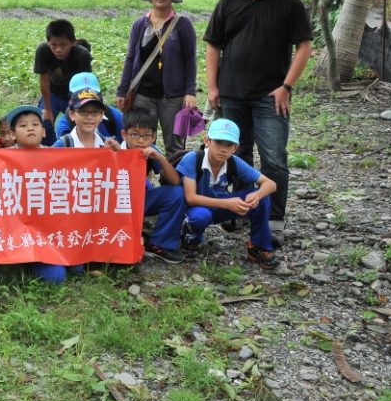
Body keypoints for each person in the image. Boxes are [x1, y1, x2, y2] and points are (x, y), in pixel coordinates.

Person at [205, 0, 313, 245]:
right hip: (232, 95)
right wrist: (213, 87)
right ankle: (242, 210)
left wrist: (287, 86)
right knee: (237, 154)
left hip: (271, 97)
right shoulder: (228, 2)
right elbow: (213, 46)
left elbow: (304, 46)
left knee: (274, 158)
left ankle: (275, 219)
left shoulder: (288, 4)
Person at [175, 119, 279, 270]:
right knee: (200, 216)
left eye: (229, 145)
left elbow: (271, 184)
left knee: (262, 198)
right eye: (218, 142)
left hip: (220, 205)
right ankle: (189, 237)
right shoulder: (193, 158)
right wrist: (227, 203)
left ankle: (258, 246)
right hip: (193, 208)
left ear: (235, 148)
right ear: (207, 141)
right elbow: (190, 198)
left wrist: (257, 196)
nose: (223, 149)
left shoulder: (234, 162)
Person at [116, 0, 197, 156]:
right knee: (139, 141)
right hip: (143, 94)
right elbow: (130, 58)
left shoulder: (183, 25)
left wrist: (190, 91)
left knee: (174, 145)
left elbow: (190, 60)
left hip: (173, 97)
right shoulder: (140, 24)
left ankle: (173, 182)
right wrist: (122, 90)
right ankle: (141, 182)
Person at [3, 105, 79, 282]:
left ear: (43, 132)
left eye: (35, 124)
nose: (30, 128)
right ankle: (20, 263)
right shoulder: (2, 159)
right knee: (55, 278)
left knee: (67, 272)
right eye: (23, 125)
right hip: (17, 231)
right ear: (12, 134)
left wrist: (111, 153)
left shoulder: (56, 157)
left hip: (49, 231)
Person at [120, 109, 186, 264]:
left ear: (154, 137)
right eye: (135, 134)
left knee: (176, 193)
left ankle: (161, 244)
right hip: (116, 205)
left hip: (141, 199)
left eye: (146, 135)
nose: (140, 140)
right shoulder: (114, 150)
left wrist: (161, 159)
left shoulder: (151, 152)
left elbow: (175, 181)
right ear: (124, 134)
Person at [34, 19, 92, 127]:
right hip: (53, 93)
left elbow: (83, 86)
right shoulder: (43, 50)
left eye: (63, 45)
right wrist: (47, 108)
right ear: (48, 43)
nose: (58, 50)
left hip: (73, 95)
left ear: (73, 42)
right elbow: (44, 79)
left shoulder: (82, 55)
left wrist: (78, 109)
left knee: (77, 126)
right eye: (53, 45)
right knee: (43, 124)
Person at [54, 72, 124, 143]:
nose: (86, 95)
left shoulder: (114, 116)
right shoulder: (64, 125)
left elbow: (127, 146)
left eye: (91, 93)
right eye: (80, 94)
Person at [52, 88, 120, 150]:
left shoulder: (105, 143)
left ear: (102, 115)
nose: (89, 117)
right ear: (72, 115)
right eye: (83, 112)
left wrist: (116, 153)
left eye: (95, 112)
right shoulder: (63, 145)